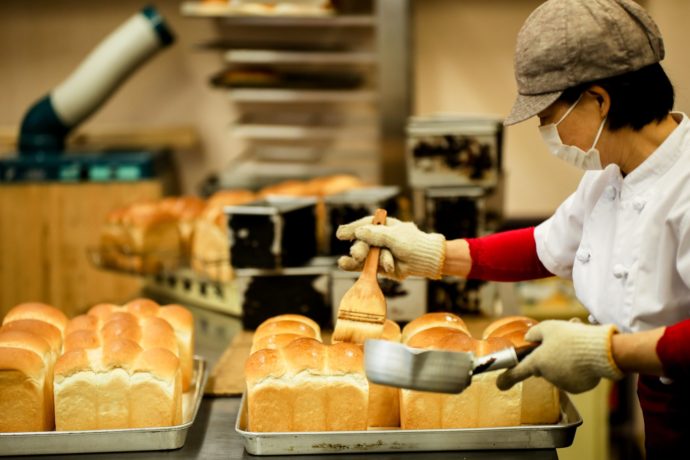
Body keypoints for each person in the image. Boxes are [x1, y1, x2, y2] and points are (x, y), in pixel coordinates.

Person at [335, 0, 689, 457]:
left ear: (600, 100)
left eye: (549, 117)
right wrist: (431, 253)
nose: (546, 132)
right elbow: (543, 247)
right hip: (662, 412)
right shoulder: (610, 174)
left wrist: (606, 351)